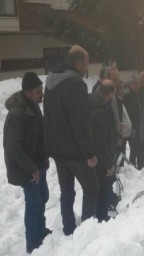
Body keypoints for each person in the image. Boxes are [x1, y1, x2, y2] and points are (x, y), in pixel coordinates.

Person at [44, 45, 99, 236]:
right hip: (75, 151)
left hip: (58, 151)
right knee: (92, 187)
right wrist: (90, 153)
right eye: (86, 63)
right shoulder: (75, 85)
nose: (86, 67)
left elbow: (49, 117)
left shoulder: (51, 82)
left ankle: (68, 228)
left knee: (67, 191)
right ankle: (86, 231)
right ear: (77, 63)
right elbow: (81, 123)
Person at [3, 72, 51, 253]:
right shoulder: (17, 114)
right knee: (34, 203)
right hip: (26, 168)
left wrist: (44, 157)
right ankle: (33, 241)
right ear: (28, 92)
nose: (42, 93)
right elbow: (13, 148)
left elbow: (38, 136)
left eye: (42, 89)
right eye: (39, 90)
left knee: (43, 197)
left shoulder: (33, 106)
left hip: (37, 164)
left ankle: (41, 230)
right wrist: (31, 168)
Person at [88, 79, 116, 222]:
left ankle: (97, 216)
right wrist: (109, 164)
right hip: (100, 159)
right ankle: (101, 217)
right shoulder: (102, 112)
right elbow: (101, 142)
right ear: (109, 94)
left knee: (96, 189)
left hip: (91, 155)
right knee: (103, 188)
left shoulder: (89, 104)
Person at [124, 75, 144, 169]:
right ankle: (134, 166)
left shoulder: (134, 94)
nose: (139, 86)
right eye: (137, 84)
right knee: (135, 148)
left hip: (136, 126)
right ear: (132, 85)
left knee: (136, 148)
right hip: (133, 127)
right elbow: (131, 114)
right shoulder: (128, 96)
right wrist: (134, 128)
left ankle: (135, 166)